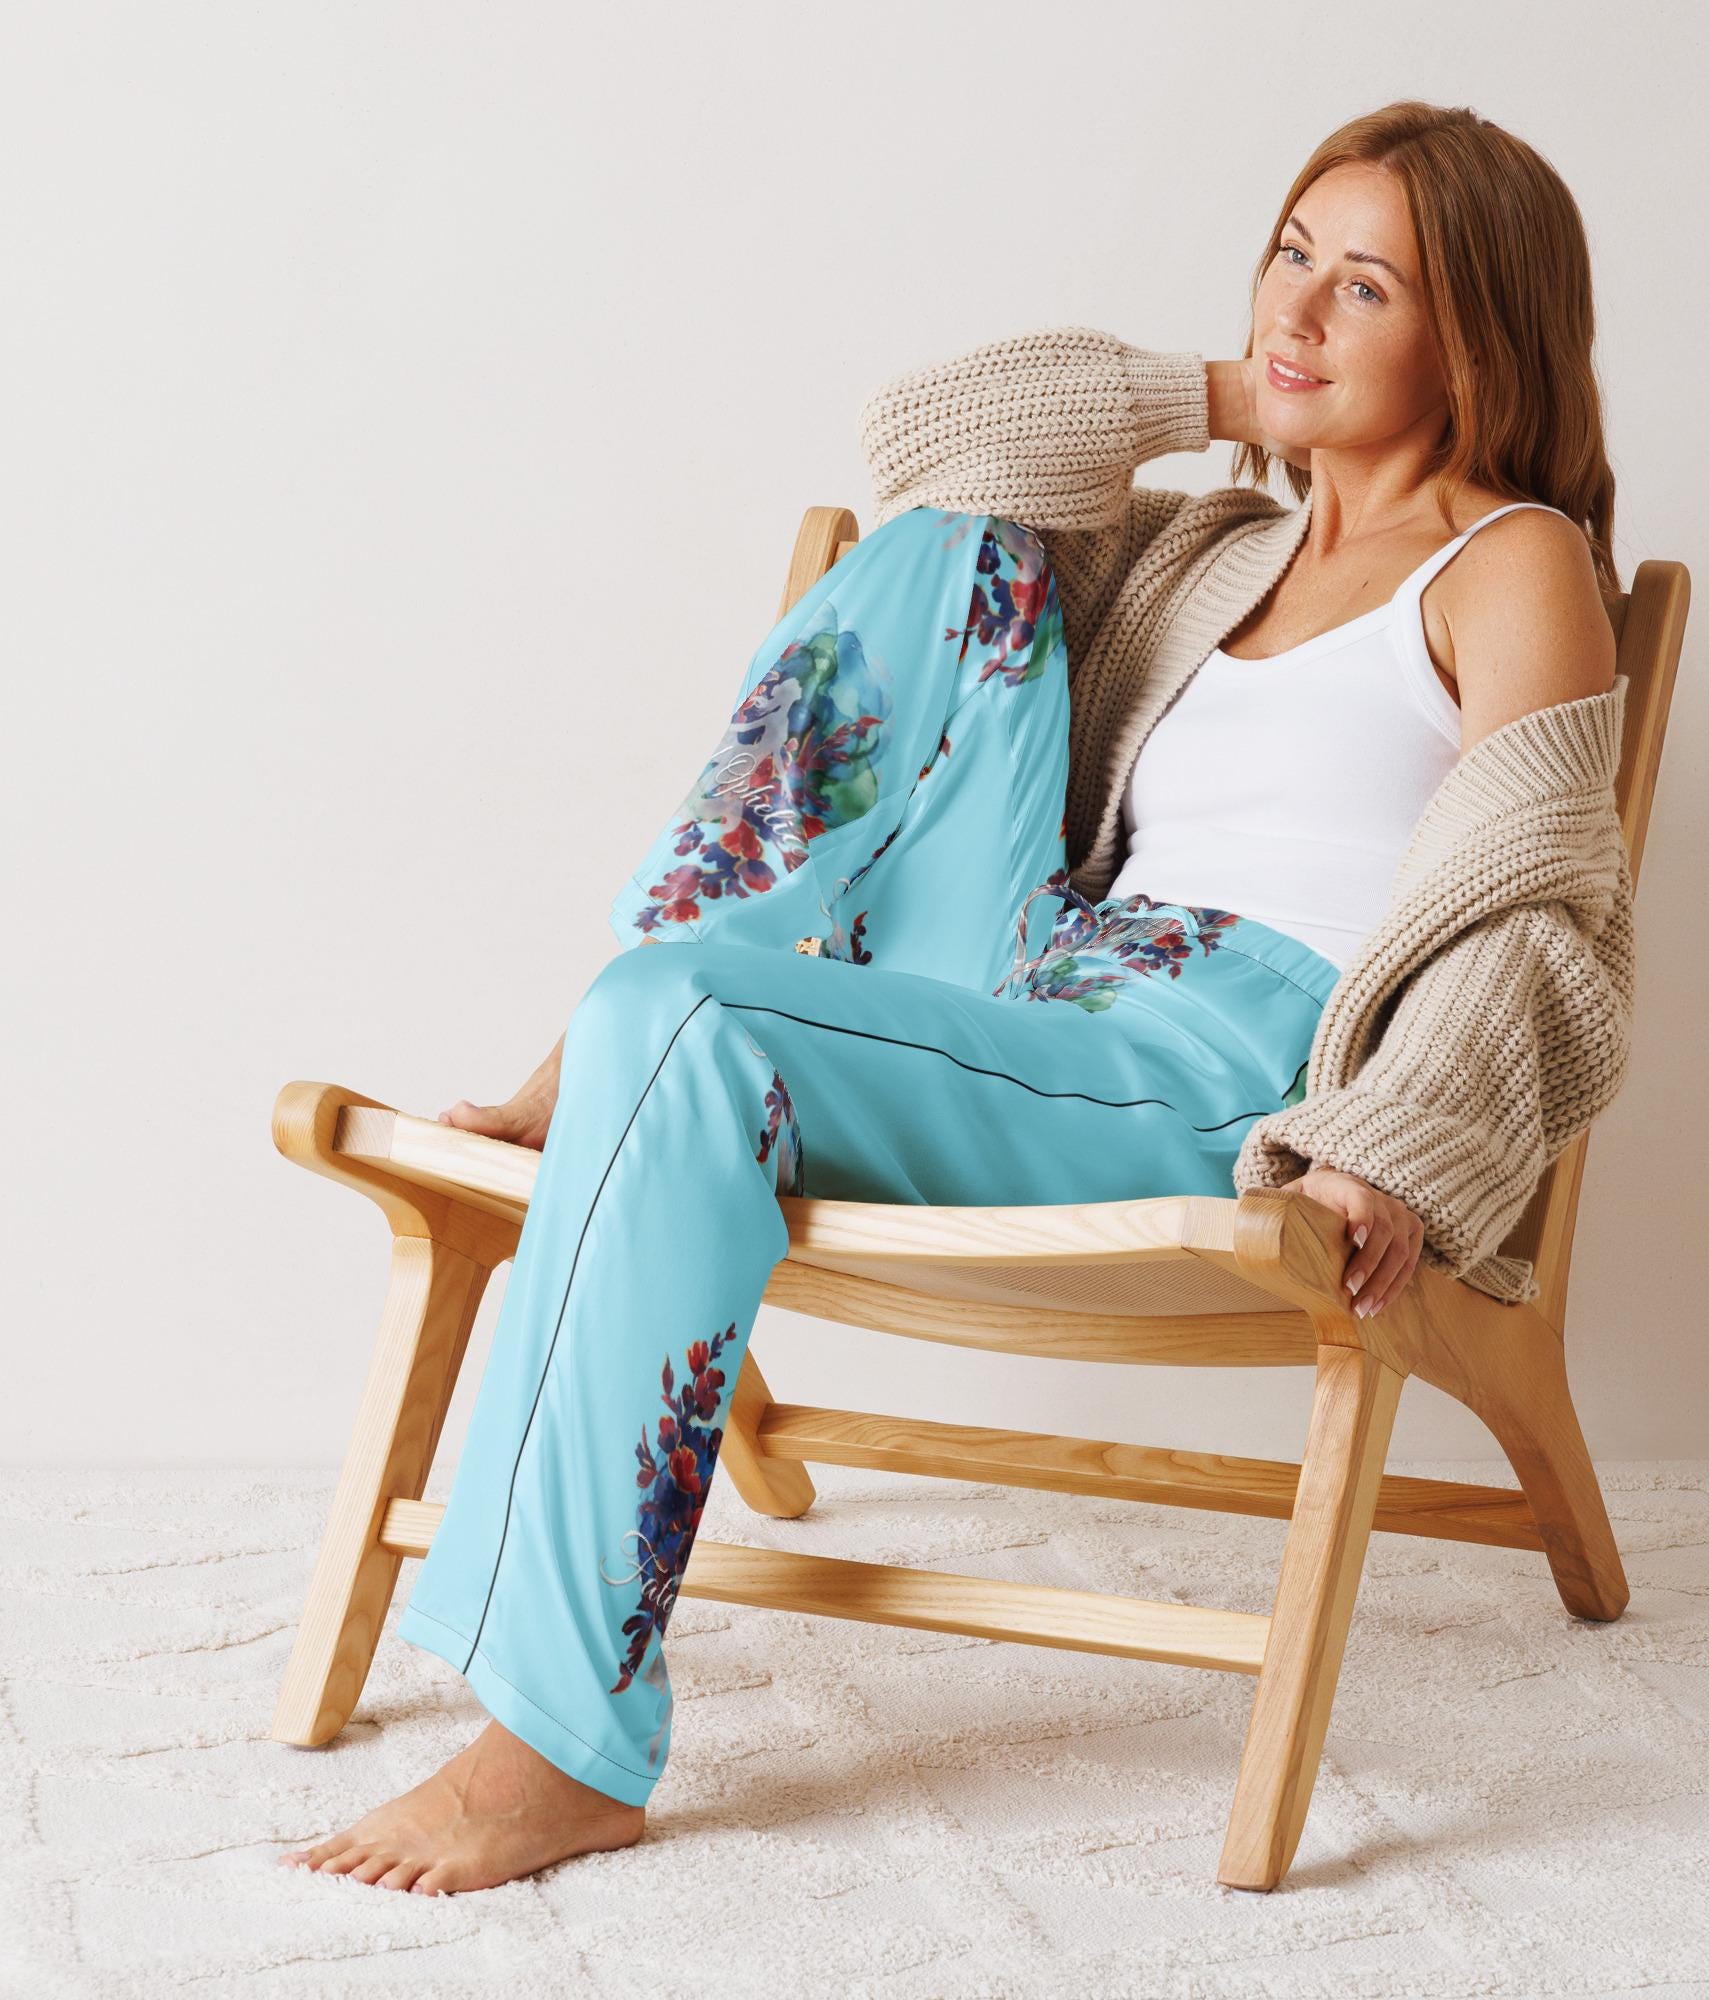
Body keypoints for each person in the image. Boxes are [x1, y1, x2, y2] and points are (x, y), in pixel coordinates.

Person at [281, 98, 1631, 1895]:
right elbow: (929, 440)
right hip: (1040, 986)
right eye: (1290, 255)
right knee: (951, 542)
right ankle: (614, 1043)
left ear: (1478, 342)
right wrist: (1228, 395)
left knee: (684, 1024)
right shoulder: (1215, 546)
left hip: (1219, 1060)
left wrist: (1389, 1141)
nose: (1299, 309)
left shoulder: (1511, 560)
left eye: (1366, 287)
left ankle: (556, 1743)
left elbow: (1537, 917)